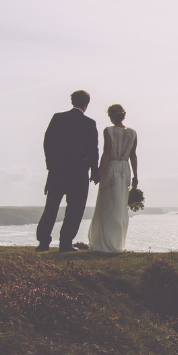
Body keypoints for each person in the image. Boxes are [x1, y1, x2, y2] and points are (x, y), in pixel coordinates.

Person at [35, 90, 99, 252]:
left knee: (51, 207)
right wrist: (94, 171)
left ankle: (43, 242)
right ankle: (65, 243)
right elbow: (93, 150)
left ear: (72, 101)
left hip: (58, 171)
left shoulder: (58, 118)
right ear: (86, 104)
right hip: (78, 173)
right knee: (75, 209)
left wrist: (51, 165)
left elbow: (47, 142)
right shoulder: (89, 123)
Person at [88, 104, 138, 253]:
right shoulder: (133, 133)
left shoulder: (108, 131)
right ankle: (117, 243)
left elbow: (107, 154)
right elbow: (133, 156)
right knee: (120, 205)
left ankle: (105, 243)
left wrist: (99, 172)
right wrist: (136, 175)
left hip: (111, 168)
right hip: (124, 169)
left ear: (111, 115)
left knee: (107, 204)